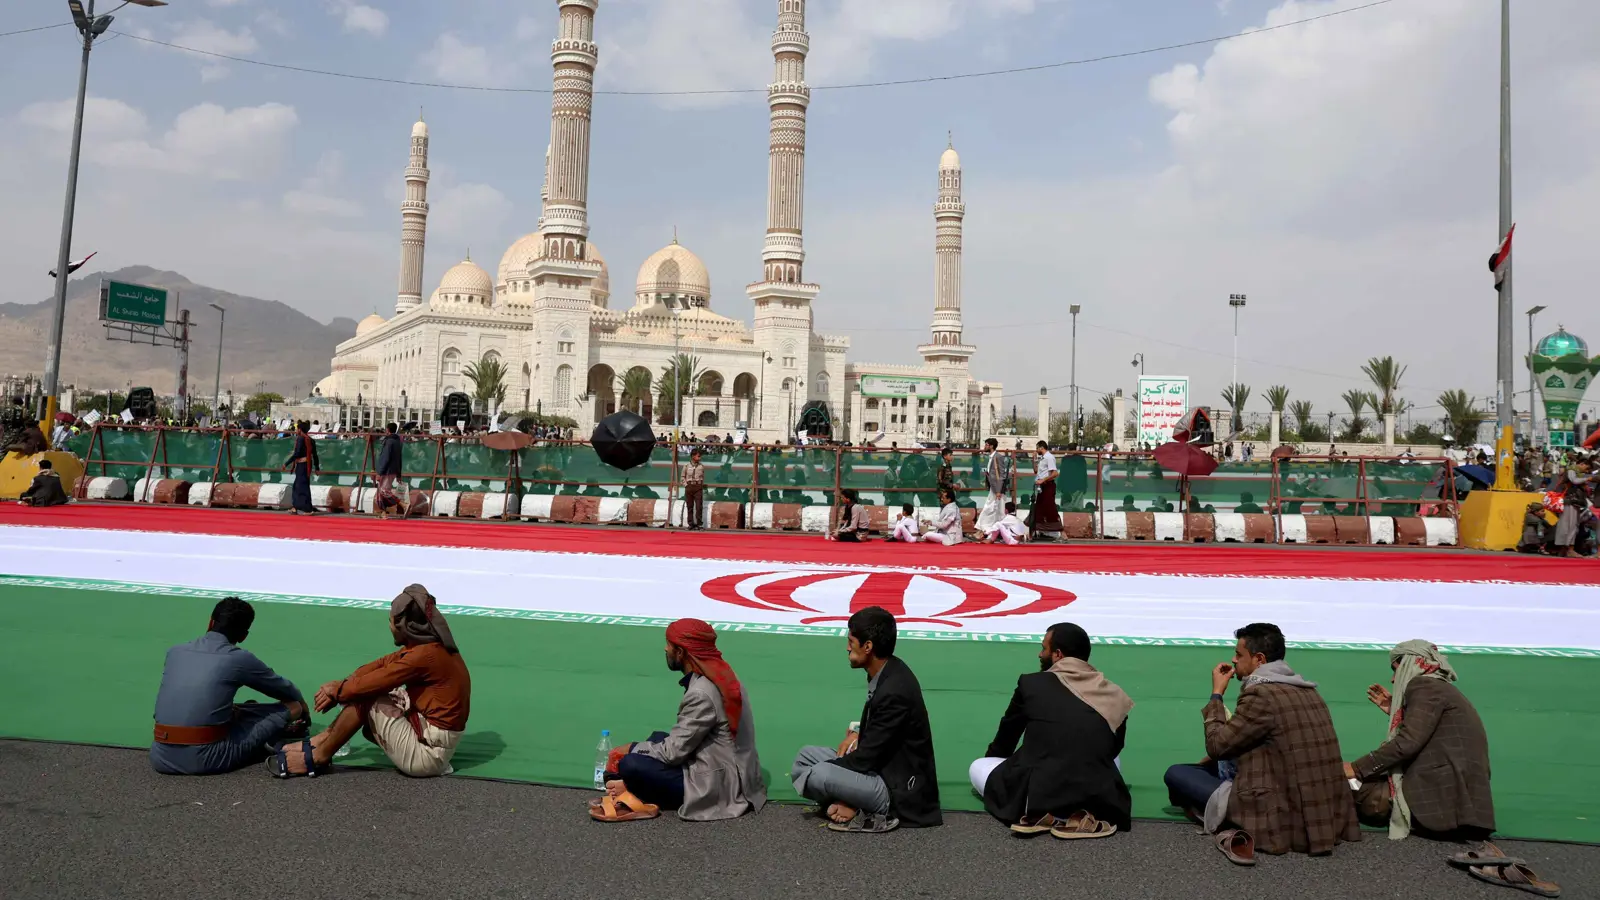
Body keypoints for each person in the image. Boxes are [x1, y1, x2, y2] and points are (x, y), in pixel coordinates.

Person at [1163, 623, 1359, 864]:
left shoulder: (1261, 695)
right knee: (1204, 768)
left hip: (1281, 810)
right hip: (1321, 808)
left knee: (1176, 774)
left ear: (1258, 659)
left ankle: (1224, 819)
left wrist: (1216, 694)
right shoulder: (1306, 689)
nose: (1233, 660)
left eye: (1238, 654)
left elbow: (1216, 746)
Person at [268, 585, 470, 779]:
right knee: (364, 689)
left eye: (391, 622)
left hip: (428, 755)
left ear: (404, 626)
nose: (390, 626)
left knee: (366, 695)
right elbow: (380, 666)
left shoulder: (424, 656)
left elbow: (370, 684)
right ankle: (319, 741)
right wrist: (342, 686)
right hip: (426, 736)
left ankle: (319, 756)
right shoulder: (426, 648)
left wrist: (338, 691)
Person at [593, 619, 766, 822]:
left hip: (718, 786)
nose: (665, 649)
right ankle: (629, 787)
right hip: (730, 768)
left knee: (632, 764)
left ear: (681, 652)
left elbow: (672, 754)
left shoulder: (702, 693)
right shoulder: (724, 676)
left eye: (669, 645)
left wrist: (631, 747)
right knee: (657, 737)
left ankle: (631, 792)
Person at [970, 623, 1132, 838]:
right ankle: (1078, 816)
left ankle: (1047, 814)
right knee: (1110, 757)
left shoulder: (1031, 683)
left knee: (978, 766)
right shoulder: (1114, 693)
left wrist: (1000, 767)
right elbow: (1113, 748)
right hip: (1096, 797)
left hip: (1037, 797)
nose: (1040, 654)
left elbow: (1007, 737)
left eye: (1044, 648)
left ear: (1057, 654)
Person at [791, 607, 941, 833]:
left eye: (851, 641)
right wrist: (859, 734)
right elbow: (885, 730)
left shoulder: (894, 690)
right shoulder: (890, 670)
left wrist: (831, 771)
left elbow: (864, 760)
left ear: (868, 646)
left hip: (895, 790)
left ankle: (857, 803)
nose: (847, 647)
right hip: (880, 768)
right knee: (806, 757)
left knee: (819, 772)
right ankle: (847, 799)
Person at [1347, 641, 1496, 842]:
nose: (1393, 679)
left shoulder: (1423, 685)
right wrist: (1397, 712)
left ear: (1410, 664)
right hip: (1462, 809)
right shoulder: (1441, 689)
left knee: (1346, 783)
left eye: (1395, 670)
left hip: (1439, 804)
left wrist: (1356, 768)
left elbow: (1407, 743)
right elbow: (1433, 736)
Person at [150, 598, 308, 775]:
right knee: (293, 707)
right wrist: (303, 707)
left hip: (160, 756)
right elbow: (285, 690)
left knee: (238, 709)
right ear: (243, 636)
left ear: (210, 622)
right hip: (205, 759)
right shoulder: (238, 659)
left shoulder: (175, 651)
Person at [1551, 458, 1592, 557]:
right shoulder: (1572, 470)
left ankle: (1563, 549)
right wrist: (1588, 479)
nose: (1586, 471)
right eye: (1587, 468)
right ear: (1582, 464)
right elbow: (1574, 481)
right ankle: (1570, 549)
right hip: (1570, 502)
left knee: (1566, 526)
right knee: (1571, 526)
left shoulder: (1573, 471)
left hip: (1571, 502)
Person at [1026, 441, 1061, 540]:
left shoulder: (1049, 457)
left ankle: (1062, 533)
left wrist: (1043, 480)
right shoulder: (1042, 458)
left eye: (1037, 448)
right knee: (1038, 508)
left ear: (1041, 448)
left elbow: (1055, 473)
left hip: (1048, 486)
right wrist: (1034, 459)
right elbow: (1036, 471)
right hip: (1041, 487)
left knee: (1050, 508)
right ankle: (1033, 533)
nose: (1036, 450)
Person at [283, 420, 319, 515]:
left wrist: (286, 463)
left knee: (301, 487)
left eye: (297, 429)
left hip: (302, 466)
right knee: (299, 486)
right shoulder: (310, 440)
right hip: (307, 466)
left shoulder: (301, 439)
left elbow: (297, 453)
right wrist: (317, 467)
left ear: (300, 430)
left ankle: (308, 509)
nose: (296, 431)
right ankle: (295, 507)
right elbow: (315, 455)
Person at [977, 438, 1010, 533]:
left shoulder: (998, 457)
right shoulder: (991, 457)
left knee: (991, 509)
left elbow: (1001, 475)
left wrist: (998, 490)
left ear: (991, 446)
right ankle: (994, 531)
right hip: (994, 488)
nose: (985, 447)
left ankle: (982, 530)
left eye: (986, 445)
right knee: (997, 511)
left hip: (997, 489)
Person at [374, 422, 404, 518]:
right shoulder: (397, 442)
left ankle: (403, 504)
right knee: (381, 491)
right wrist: (399, 474)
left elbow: (385, 458)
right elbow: (399, 458)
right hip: (393, 470)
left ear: (387, 430)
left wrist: (380, 472)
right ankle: (383, 513)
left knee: (384, 491)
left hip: (386, 470)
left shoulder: (389, 441)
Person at [682, 449, 706, 530]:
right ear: (693, 456)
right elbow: (682, 477)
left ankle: (699, 524)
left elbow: (702, 477)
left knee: (699, 506)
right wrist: (686, 485)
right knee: (690, 506)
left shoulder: (701, 466)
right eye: (698, 456)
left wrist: (700, 485)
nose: (700, 458)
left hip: (698, 487)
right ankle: (691, 524)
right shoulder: (686, 466)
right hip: (689, 487)